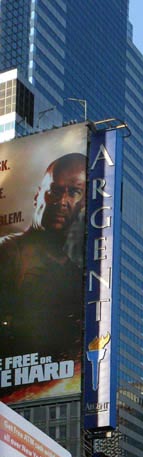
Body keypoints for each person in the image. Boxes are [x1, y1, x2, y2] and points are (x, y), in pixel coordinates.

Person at [0, 153, 87, 402]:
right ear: (39, 195)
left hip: (51, 399)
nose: (62, 201)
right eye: (55, 191)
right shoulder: (8, 251)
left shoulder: (75, 273)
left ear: (82, 204)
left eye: (74, 192)